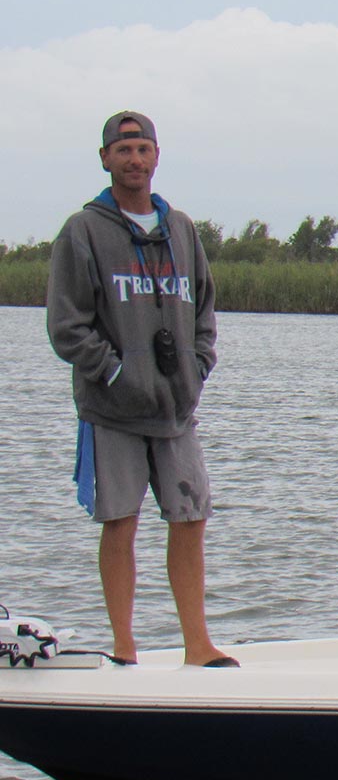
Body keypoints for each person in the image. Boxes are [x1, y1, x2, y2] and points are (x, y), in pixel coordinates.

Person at [46, 112, 235, 667]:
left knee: (191, 516)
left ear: (158, 157)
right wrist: (114, 372)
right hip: (113, 411)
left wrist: (197, 366)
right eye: (124, 148)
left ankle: (197, 645)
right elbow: (66, 326)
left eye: (144, 148)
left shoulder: (181, 229)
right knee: (120, 520)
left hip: (176, 409)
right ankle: (124, 647)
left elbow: (204, 308)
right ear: (105, 158)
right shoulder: (83, 231)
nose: (135, 158)